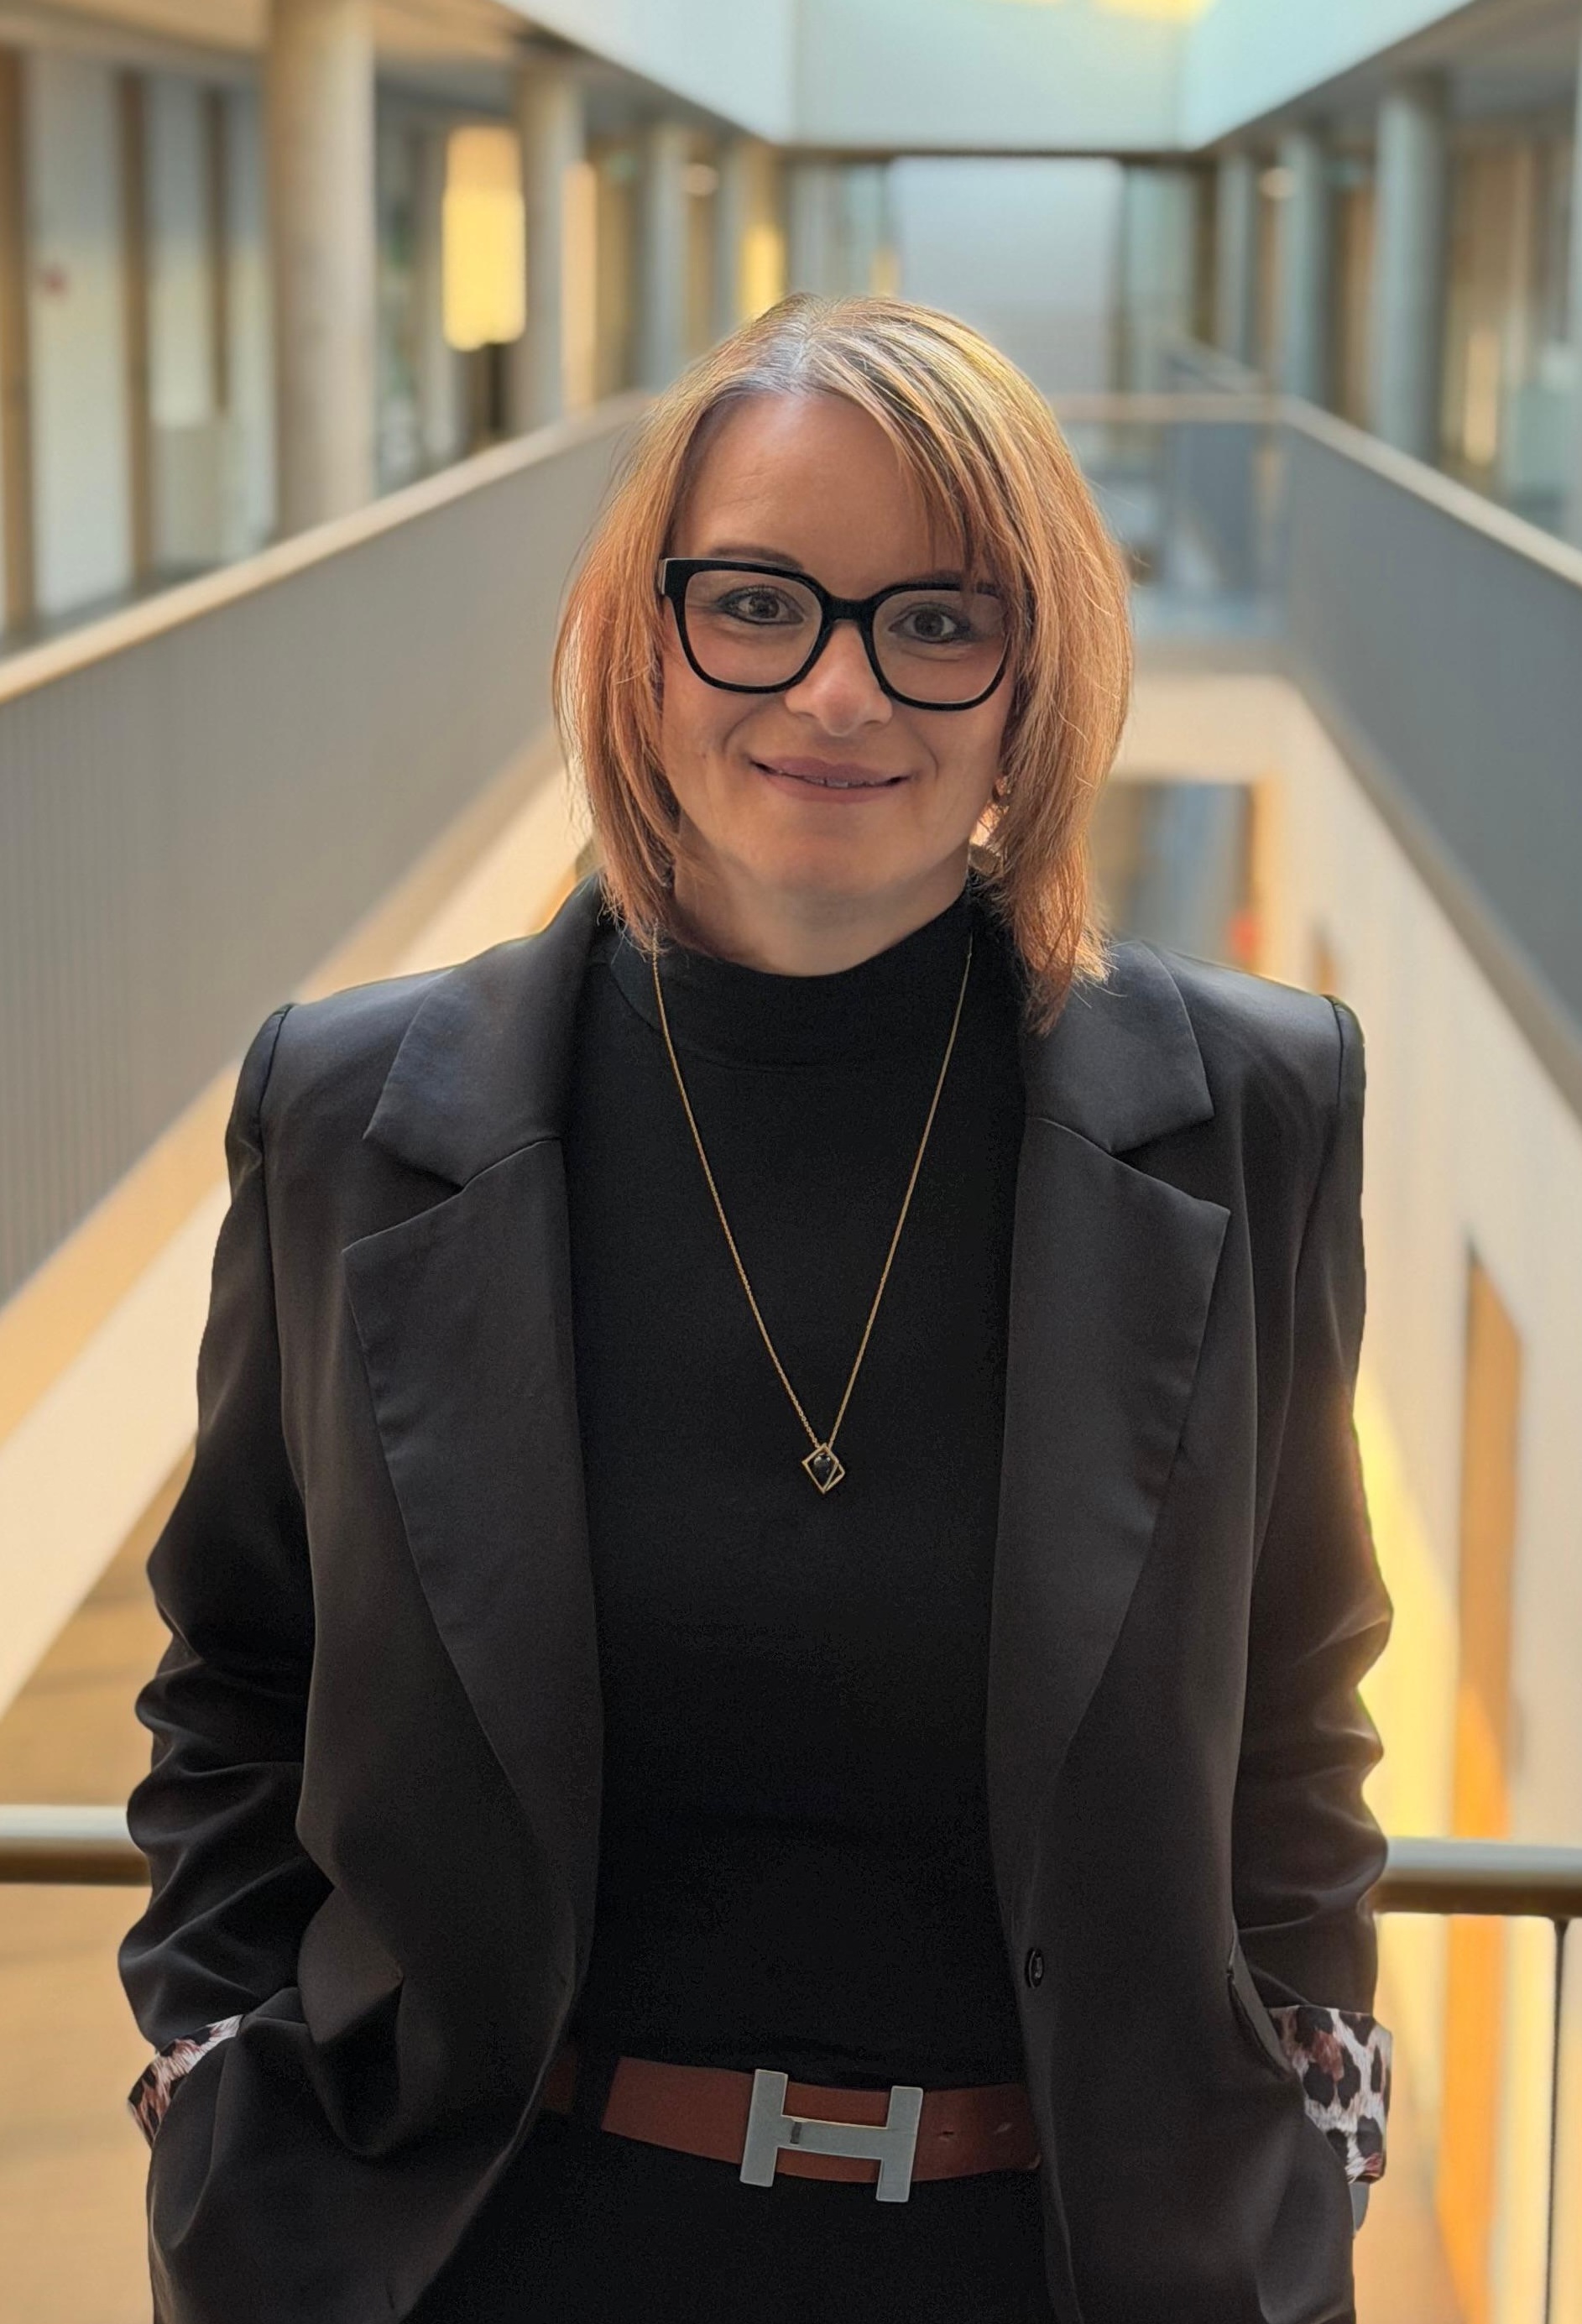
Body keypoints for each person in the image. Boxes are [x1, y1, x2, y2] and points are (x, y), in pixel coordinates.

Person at [119, 295, 1393, 2324]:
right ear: (644, 638)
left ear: (1028, 676)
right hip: (483, 2261)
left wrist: (1313, 2132)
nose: (837, 685)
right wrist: (216, 2096)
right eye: (756, 602)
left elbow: (1299, 1699)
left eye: (936, 618)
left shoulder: (1254, 1111)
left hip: (1068, 2268)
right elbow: (234, 1680)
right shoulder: (354, 1116)